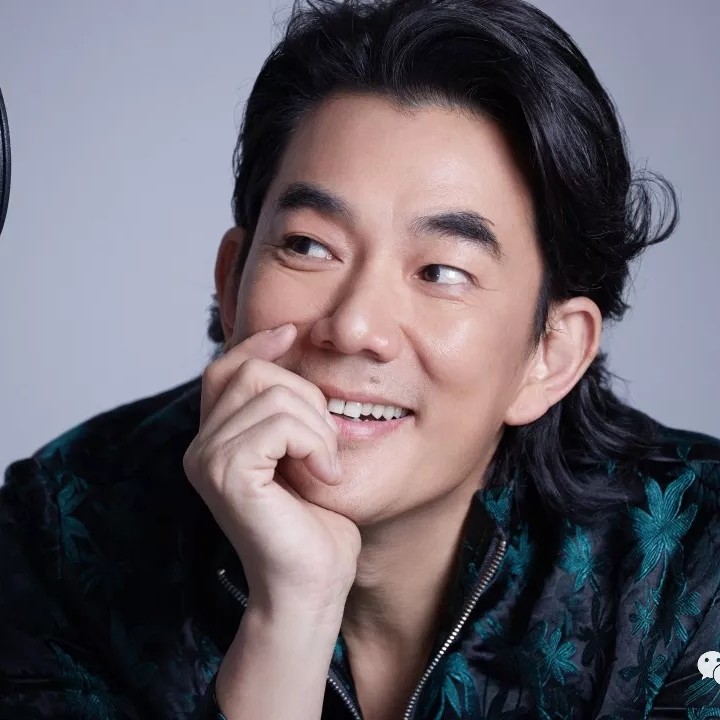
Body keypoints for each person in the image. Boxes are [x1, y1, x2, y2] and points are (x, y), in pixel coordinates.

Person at [1, 0, 719, 717]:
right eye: (309, 246)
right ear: (232, 279)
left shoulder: (693, 565)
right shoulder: (59, 536)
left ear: (551, 354)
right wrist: (290, 619)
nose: (354, 327)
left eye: (441, 271)